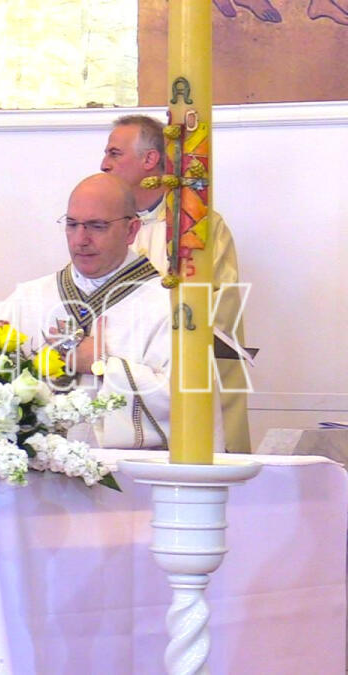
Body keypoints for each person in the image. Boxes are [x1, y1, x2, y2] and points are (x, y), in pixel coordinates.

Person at [0, 174, 186, 449]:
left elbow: (187, 403)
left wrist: (103, 365)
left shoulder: (168, 307)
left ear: (131, 230)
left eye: (97, 226)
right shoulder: (27, 299)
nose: (81, 239)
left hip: (126, 482)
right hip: (35, 479)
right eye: (72, 225)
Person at [100, 114, 251, 451]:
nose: (103, 164)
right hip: (119, 385)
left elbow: (216, 308)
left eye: (114, 153)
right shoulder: (104, 225)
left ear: (150, 160)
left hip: (179, 381)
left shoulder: (197, 225)